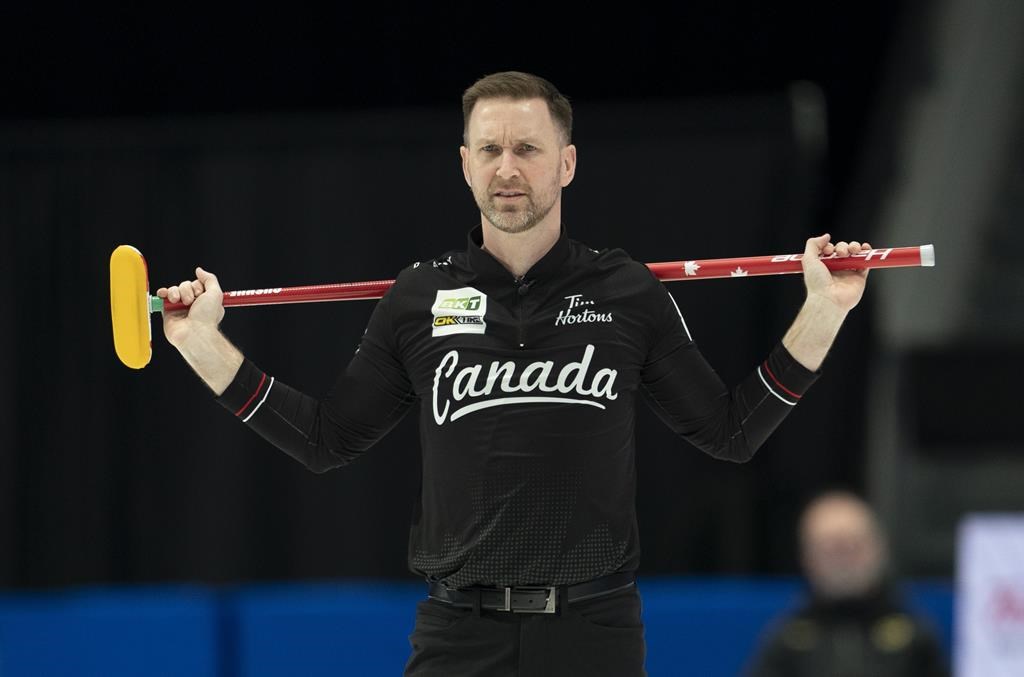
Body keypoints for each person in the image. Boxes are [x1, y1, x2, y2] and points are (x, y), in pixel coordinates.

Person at [156, 71, 871, 677]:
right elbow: (325, 439)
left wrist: (826, 309)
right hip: (457, 635)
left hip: (594, 631)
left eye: (528, 148)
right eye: (491, 149)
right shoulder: (417, 297)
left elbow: (732, 430)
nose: (508, 169)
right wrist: (201, 345)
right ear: (465, 162)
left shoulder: (627, 291)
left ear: (566, 163)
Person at [746, 490, 950, 677]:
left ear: (879, 549)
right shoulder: (787, 640)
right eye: (831, 549)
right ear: (807, 558)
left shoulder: (915, 636)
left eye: (852, 547)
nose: (843, 561)